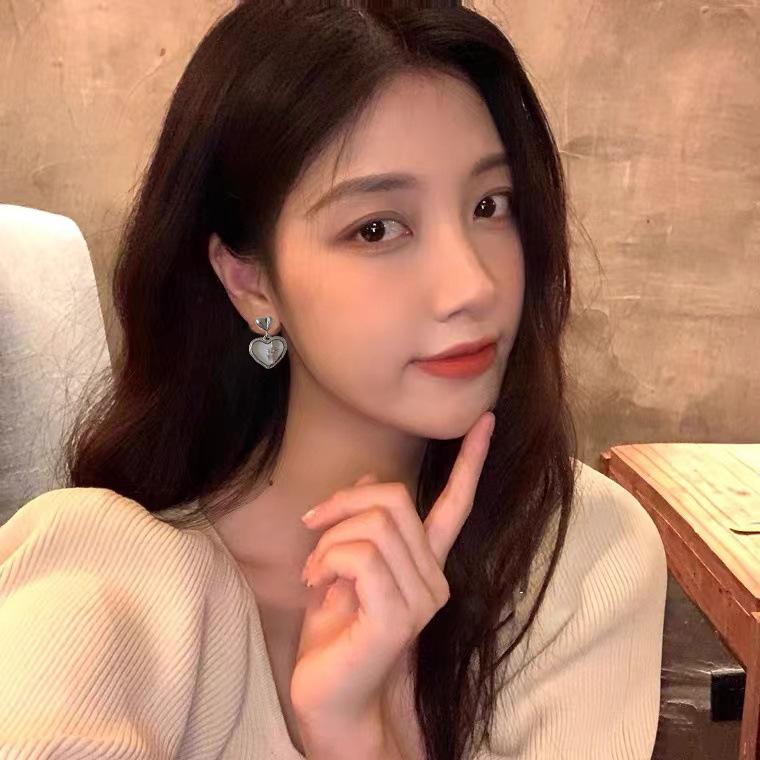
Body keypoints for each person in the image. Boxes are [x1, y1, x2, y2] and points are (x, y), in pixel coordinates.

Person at [0, 3, 667, 759]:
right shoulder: (109, 577)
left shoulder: (581, 558)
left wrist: (355, 737)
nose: (472, 285)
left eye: (490, 205)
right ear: (251, 282)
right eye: (376, 228)